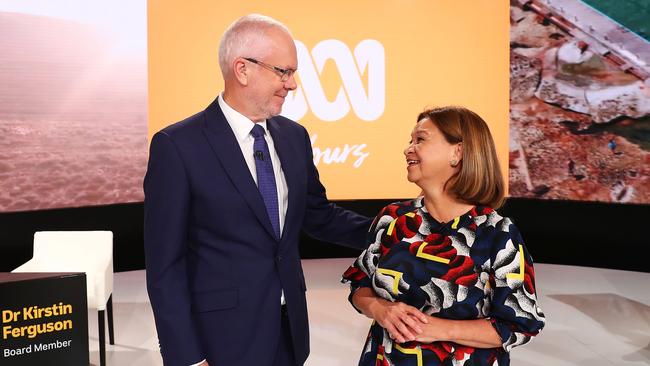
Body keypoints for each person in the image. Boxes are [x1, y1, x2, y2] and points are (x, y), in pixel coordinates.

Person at [144, 14, 371, 366]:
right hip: (220, 341)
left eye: (292, 73)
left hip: (288, 334)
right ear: (242, 69)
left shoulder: (294, 138)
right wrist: (187, 357)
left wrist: (394, 229)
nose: (291, 84)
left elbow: (318, 216)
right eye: (283, 71)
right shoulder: (177, 146)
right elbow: (165, 266)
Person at [342, 106, 545, 365]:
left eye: (420, 140)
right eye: (410, 141)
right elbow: (360, 285)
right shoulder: (392, 218)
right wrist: (380, 309)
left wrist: (438, 329)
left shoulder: (498, 233)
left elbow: (521, 324)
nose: (408, 149)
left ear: (457, 152)